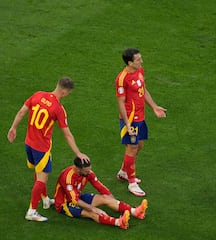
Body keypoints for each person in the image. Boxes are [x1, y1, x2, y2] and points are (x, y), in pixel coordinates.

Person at [7, 77, 90, 222]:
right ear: (64, 92)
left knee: (38, 172)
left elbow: (21, 112)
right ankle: (31, 211)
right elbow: (67, 134)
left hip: (28, 143)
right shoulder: (58, 108)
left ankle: (45, 200)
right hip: (41, 148)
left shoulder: (38, 95)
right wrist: (78, 152)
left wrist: (13, 127)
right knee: (42, 178)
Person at [115, 48, 167, 197]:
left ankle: (124, 171)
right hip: (130, 119)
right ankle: (132, 182)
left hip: (140, 117)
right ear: (130, 62)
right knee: (132, 147)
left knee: (139, 146)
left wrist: (154, 107)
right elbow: (120, 102)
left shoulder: (139, 71)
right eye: (138, 60)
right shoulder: (122, 78)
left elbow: (143, 90)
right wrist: (127, 124)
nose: (141, 61)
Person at [54, 157, 148, 230]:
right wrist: (93, 209)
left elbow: (100, 187)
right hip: (65, 204)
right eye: (86, 171)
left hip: (78, 196)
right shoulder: (67, 178)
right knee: (91, 213)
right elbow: (75, 201)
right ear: (78, 169)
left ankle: (135, 212)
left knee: (105, 198)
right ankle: (119, 222)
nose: (89, 172)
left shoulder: (87, 173)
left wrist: (112, 200)